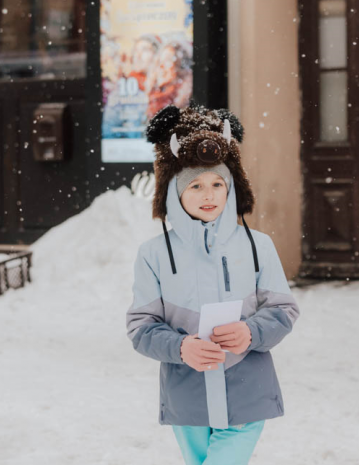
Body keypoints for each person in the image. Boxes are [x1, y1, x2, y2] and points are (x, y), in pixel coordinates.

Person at [125, 104, 300, 464]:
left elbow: (283, 309)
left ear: (231, 187)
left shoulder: (257, 245)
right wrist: (180, 347)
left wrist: (251, 332)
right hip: (187, 393)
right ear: (174, 192)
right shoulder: (154, 254)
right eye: (196, 185)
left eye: (218, 184)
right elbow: (141, 327)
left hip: (247, 386)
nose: (209, 195)